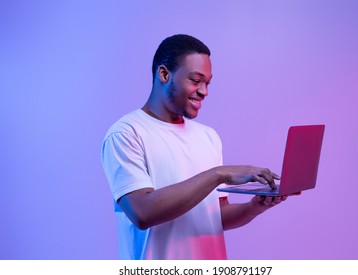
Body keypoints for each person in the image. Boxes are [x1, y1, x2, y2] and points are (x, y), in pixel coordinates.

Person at [100, 34, 288, 260]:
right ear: (164, 74)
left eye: (207, 83)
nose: (204, 91)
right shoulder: (126, 133)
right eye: (196, 80)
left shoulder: (208, 136)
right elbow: (142, 212)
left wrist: (255, 207)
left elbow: (215, 217)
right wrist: (220, 174)